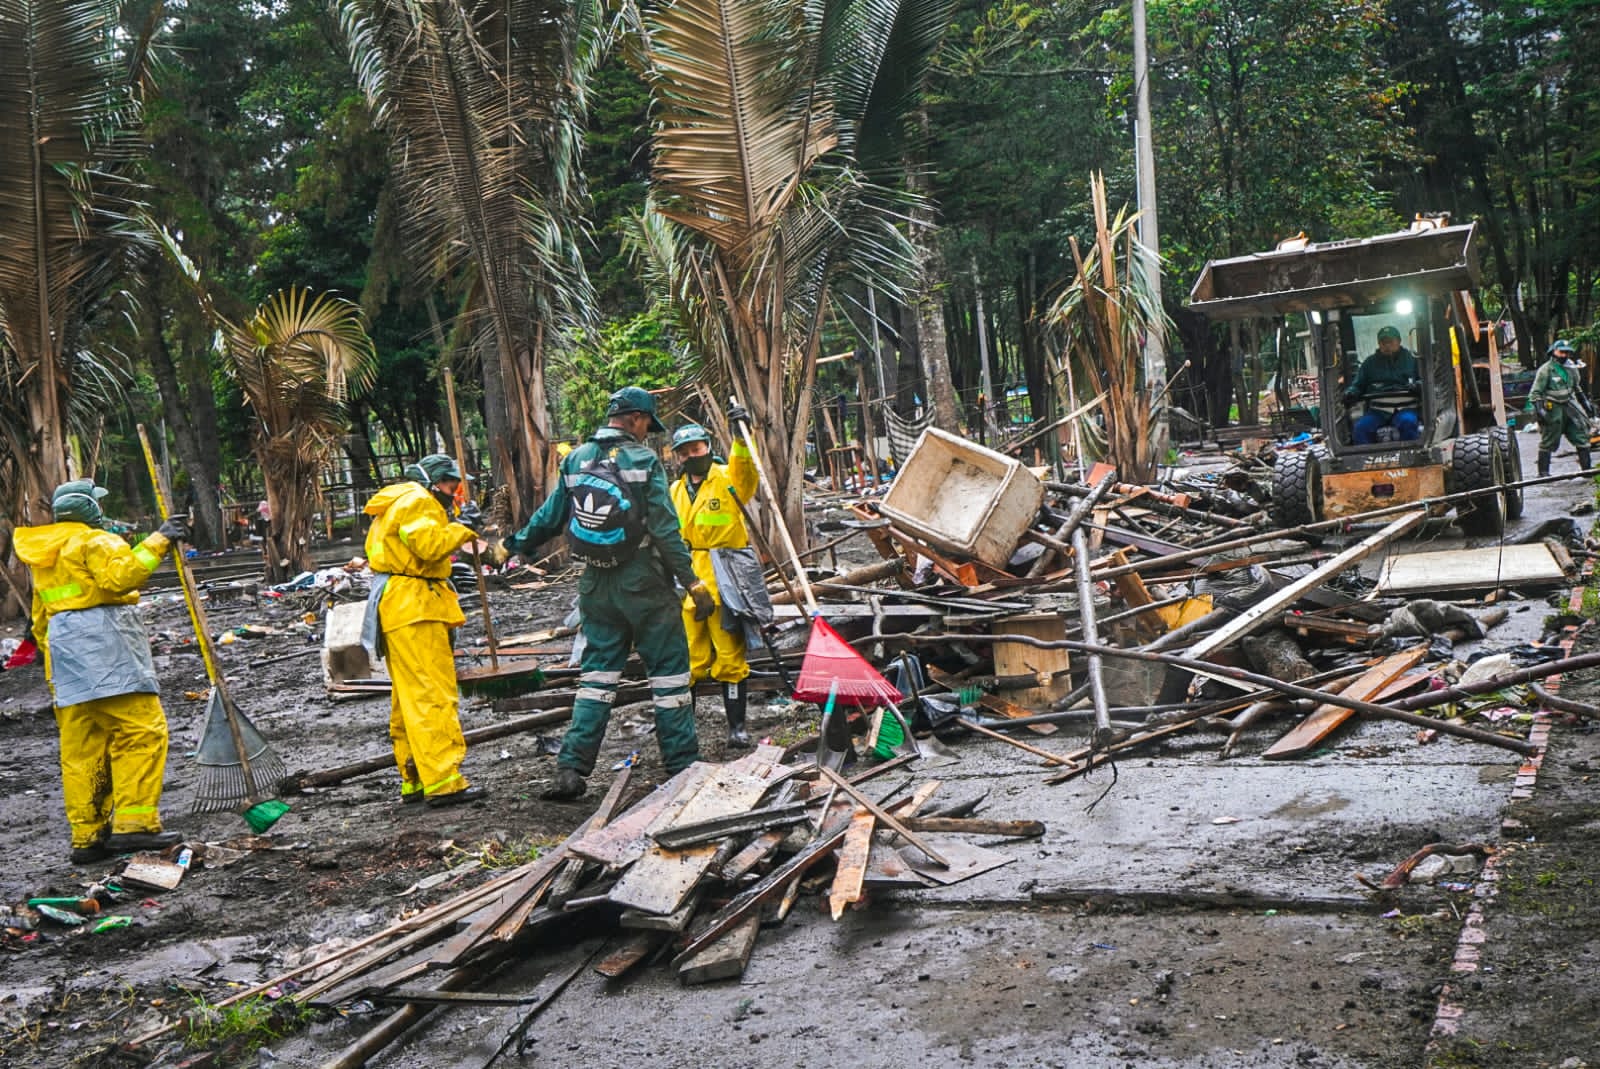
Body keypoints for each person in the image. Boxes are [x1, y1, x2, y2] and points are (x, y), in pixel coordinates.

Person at [503, 386, 714, 800]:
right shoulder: (643, 460)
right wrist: (692, 581)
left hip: (595, 584)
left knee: (596, 678)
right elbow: (665, 530)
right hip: (644, 582)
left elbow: (549, 518)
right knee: (670, 675)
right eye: (646, 425)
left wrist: (509, 546)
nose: (646, 433)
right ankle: (682, 766)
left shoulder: (576, 459)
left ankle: (571, 769)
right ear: (636, 419)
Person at [13, 480, 187, 863]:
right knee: (142, 730)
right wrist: (159, 539)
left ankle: (87, 837)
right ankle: (133, 826)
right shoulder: (95, 541)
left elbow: (40, 618)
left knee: (82, 747)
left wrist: (54, 671)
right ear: (89, 509)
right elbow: (121, 577)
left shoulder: (44, 554)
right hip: (105, 643)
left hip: (65, 651)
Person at [362, 454, 486, 808]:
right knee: (432, 696)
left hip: (398, 605)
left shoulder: (398, 501)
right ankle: (445, 781)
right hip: (414, 607)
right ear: (435, 482)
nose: (455, 492)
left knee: (408, 699)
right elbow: (430, 546)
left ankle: (414, 778)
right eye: (452, 485)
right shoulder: (419, 501)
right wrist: (463, 526)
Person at [668, 411, 764, 748]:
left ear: (708, 448)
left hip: (726, 576)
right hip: (689, 579)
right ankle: (684, 731)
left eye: (697, 449)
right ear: (676, 456)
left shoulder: (726, 477)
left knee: (729, 657)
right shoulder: (675, 490)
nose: (691, 456)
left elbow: (746, 473)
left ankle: (737, 728)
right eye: (685, 451)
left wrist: (740, 439)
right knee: (690, 658)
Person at [1526, 339, 1593, 476]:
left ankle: (1587, 469)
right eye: (1561, 352)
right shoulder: (1546, 370)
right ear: (1553, 352)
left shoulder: (1572, 369)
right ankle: (1543, 472)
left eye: (1567, 353)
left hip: (1570, 405)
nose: (1564, 355)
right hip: (1553, 407)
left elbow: (1577, 388)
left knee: (1580, 433)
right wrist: (1540, 410)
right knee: (1549, 438)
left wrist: (1585, 403)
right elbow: (1536, 392)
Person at [1346, 325, 1421, 444]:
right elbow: (1358, 385)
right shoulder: (1369, 364)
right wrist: (1351, 393)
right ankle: (1366, 459)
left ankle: (1411, 458)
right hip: (1378, 410)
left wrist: (1418, 385)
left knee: (1408, 422)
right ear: (1379, 343)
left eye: (1390, 342)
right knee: (1360, 428)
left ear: (1399, 341)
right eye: (1383, 342)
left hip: (1406, 408)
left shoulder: (1413, 360)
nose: (1387, 345)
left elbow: (1423, 381)